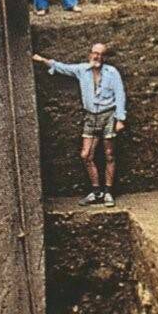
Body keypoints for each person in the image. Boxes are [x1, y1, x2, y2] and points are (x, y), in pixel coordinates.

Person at [32, 43, 126, 206]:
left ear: (104, 57)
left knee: (109, 154)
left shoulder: (112, 73)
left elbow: (120, 94)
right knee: (86, 155)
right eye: (94, 53)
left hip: (108, 115)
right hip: (91, 117)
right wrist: (42, 60)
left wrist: (120, 119)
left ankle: (108, 192)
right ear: (90, 55)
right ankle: (96, 192)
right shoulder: (82, 70)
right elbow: (62, 67)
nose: (96, 56)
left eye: (100, 54)